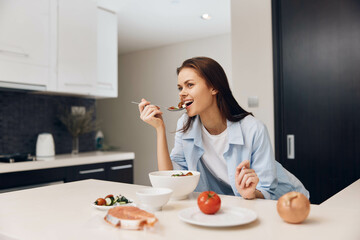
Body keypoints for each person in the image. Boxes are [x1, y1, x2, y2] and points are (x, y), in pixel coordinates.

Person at [138, 57, 309, 200]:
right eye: (180, 87)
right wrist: (159, 129)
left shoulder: (253, 129)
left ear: (214, 87)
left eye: (190, 85)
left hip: (284, 199)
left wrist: (251, 193)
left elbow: (267, 189)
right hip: (235, 203)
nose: (182, 93)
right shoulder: (185, 126)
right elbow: (171, 181)